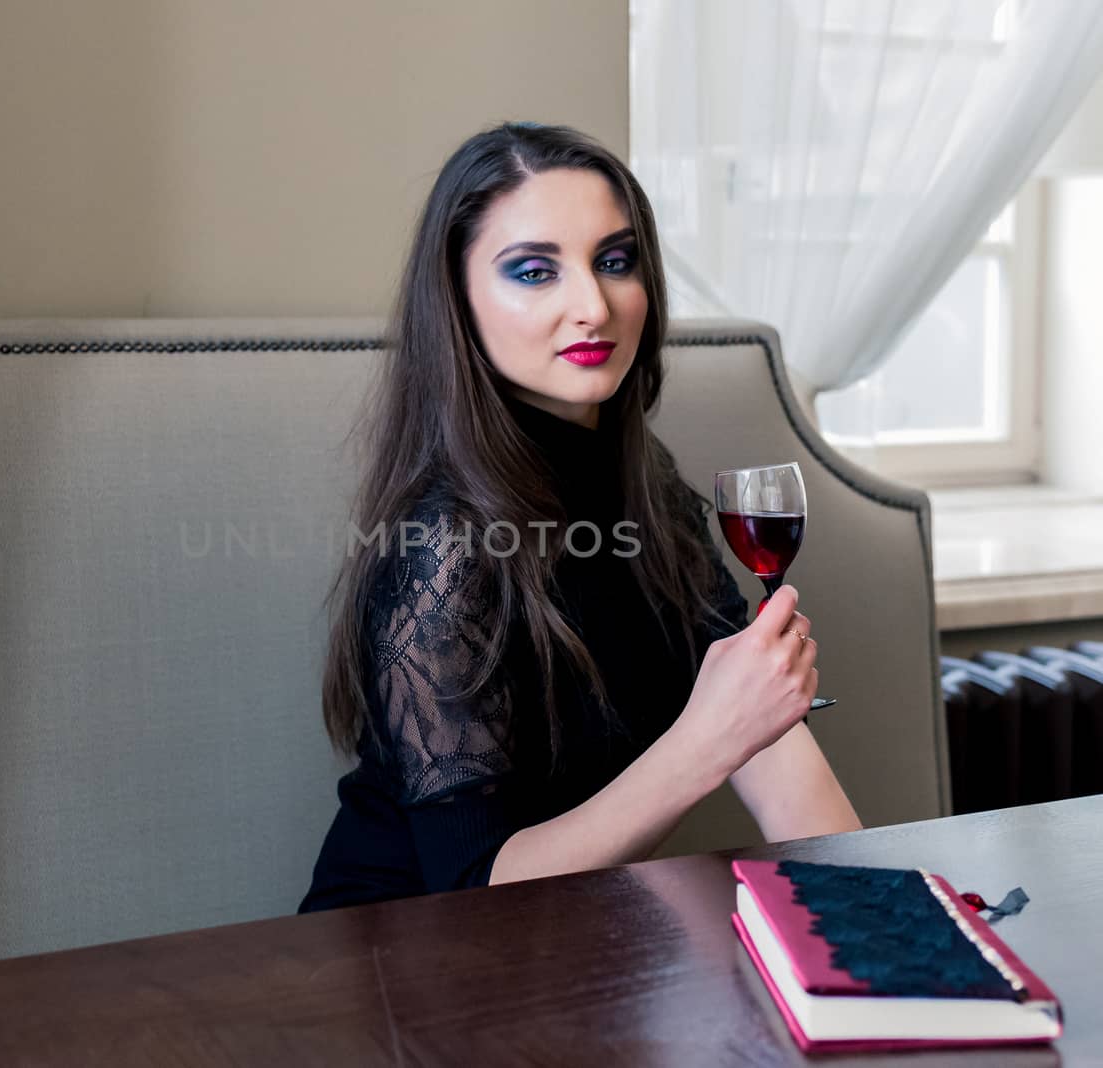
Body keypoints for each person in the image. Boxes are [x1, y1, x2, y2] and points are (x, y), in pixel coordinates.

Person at [298, 122, 859, 913]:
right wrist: (708, 740)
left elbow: (764, 737)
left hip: (582, 955)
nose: (592, 305)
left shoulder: (644, 484)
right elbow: (474, 890)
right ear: (457, 300)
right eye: (534, 271)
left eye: (615, 262)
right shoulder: (442, 549)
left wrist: (881, 924)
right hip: (404, 972)